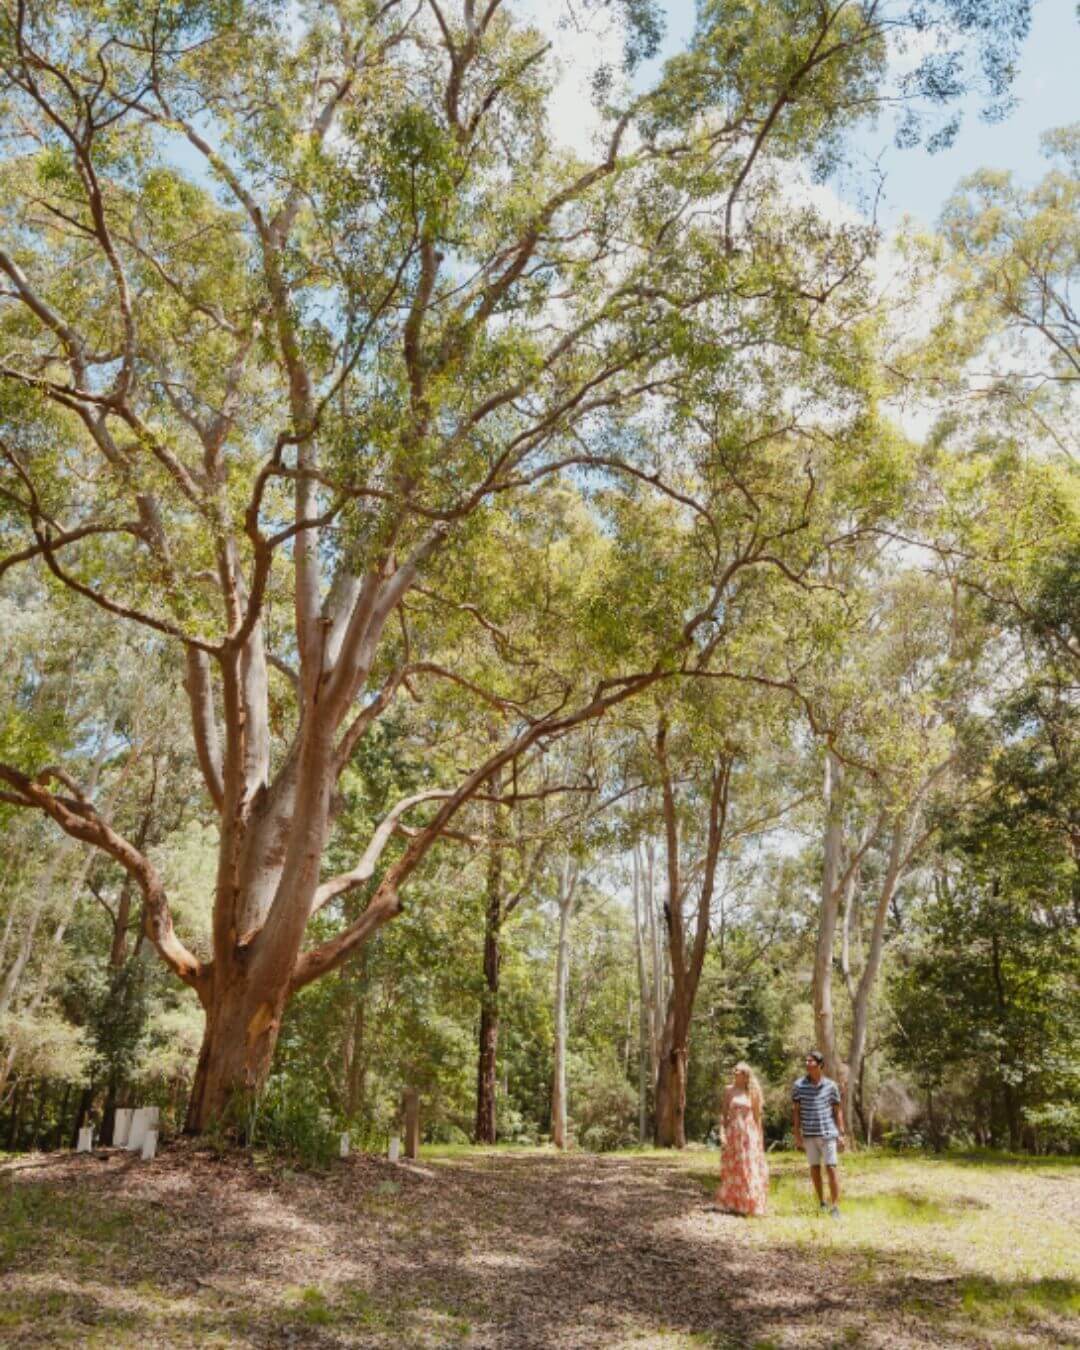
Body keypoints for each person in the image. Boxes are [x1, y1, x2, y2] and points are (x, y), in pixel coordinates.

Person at [792, 1050, 845, 1216]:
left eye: (811, 1061)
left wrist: (841, 1133)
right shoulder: (798, 1085)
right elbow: (796, 1111)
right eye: (806, 1061)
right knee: (814, 1168)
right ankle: (822, 1202)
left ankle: (835, 1207)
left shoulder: (831, 1086)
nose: (807, 1064)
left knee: (831, 1168)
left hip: (828, 1133)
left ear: (820, 1065)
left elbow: (838, 1111)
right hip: (809, 1135)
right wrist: (797, 1134)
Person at [716, 1061, 769, 1216]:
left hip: (748, 1135)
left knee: (749, 1167)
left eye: (738, 1070)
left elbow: (758, 1118)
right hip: (733, 1134)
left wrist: (760, 1139)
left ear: (745, 1075)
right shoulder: (728, 1090)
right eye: (734, 1070)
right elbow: (723, 1113)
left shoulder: (753, 1092)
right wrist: (722, 1132)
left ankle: (750, 1203)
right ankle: (733, 1203)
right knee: (734, 1167)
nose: (734, 1072)